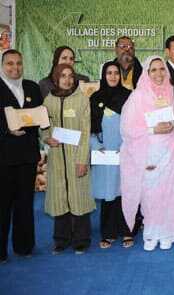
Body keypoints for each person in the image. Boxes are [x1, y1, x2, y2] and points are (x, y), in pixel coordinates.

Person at [120, 56, 174, 251]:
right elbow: (127, 129)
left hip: (172, 151)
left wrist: (172, 126)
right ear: (146, 73)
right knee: (151, 193)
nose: (159, 74)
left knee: (171, 192)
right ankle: (151, 232)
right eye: (154, 70)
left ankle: (168, 231)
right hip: (148, 151)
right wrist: (153, 130)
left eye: (162, 69)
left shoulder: (173, 93)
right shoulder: (138, 96)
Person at [41, 64, 95, 254]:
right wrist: (46, 138)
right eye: (63, 76)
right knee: (60, 199)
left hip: (76, 158)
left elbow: (86, 132)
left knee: (78, 198)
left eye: (70, 76)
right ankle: (61, 240)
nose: (67, 80)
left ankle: (81, 240)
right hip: (57, 159)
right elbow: (43, 127)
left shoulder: (81, 100)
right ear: (56, 78)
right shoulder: (48, 101)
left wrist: (82, 160)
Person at [0, 50, 43, 263]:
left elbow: (39, 117)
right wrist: (7, 130)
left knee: (25, 203)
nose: (15, 68)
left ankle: (24, 246)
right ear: (2, 65)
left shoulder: (32, 88)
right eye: (10, 64)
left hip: (27, 156)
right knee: (2, 204)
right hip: (4, 158)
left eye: (18, 63)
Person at [89, 61, 133, 249]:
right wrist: (96, 146)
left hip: (123, 152)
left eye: (116, 73)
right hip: (104, 153)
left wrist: (127, 147)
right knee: (108, 194)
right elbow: (89, 126)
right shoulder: (95, 97)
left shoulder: (129, 97)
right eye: (109, 73)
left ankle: (126, 231)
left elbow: (133, 125)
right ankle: (108, 233)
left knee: (124, 192)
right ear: (103, 75)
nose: (113, 76)